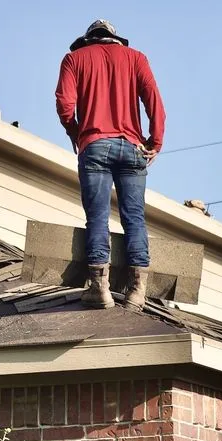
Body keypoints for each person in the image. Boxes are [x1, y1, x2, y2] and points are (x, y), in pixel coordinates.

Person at [55, 19, 166, 311]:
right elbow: (154, 100)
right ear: (115, 39)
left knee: (97, 217)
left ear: (88, 39)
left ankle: (99, 288)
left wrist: (77, 134)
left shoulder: (74, 59)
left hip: (95, 145)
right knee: (135, 218)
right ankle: (137, 292)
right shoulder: (136, 58)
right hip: (132, 148)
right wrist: (155, 142)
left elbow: (65, 105)